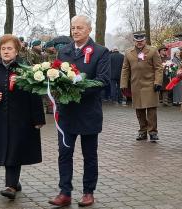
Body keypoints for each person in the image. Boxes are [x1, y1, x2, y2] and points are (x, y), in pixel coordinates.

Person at [48, 15, 110, 207]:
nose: (75, 31)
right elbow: (57, 77)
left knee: (89, 155)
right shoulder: (64, 51)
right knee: (64, 154)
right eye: (73, 28)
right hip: (67, 113)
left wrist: (77, 88)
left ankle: (88, 192)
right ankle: (64, 192)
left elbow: (103, 80)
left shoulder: (100, 52)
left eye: (79, 28)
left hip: (89, 113)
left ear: (89, 30)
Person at [0, 34, 45, 200]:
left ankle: (10, 186)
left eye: (9, 48)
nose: (6, 51)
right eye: (3, 48)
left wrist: (38, 118)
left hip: (21, 119)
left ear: (17, 51)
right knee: (5, 150)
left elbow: (35, 94)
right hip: (0, 118)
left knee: (14, 150)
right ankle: (14, 181)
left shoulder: (26, 69)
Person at [120, 31, 163, 142]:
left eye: (141, 41)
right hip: (136, 85)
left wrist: (158, 82)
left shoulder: (153, 51)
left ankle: (153, 132)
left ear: (145, 40)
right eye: (137, 41)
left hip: (150, 84)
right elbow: (125, 69)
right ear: (134, 41)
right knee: (139, 110)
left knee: (151, 109)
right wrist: (123, 84)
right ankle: (142, 131)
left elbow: (158, 68)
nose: (139, 43)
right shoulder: (128, 52)